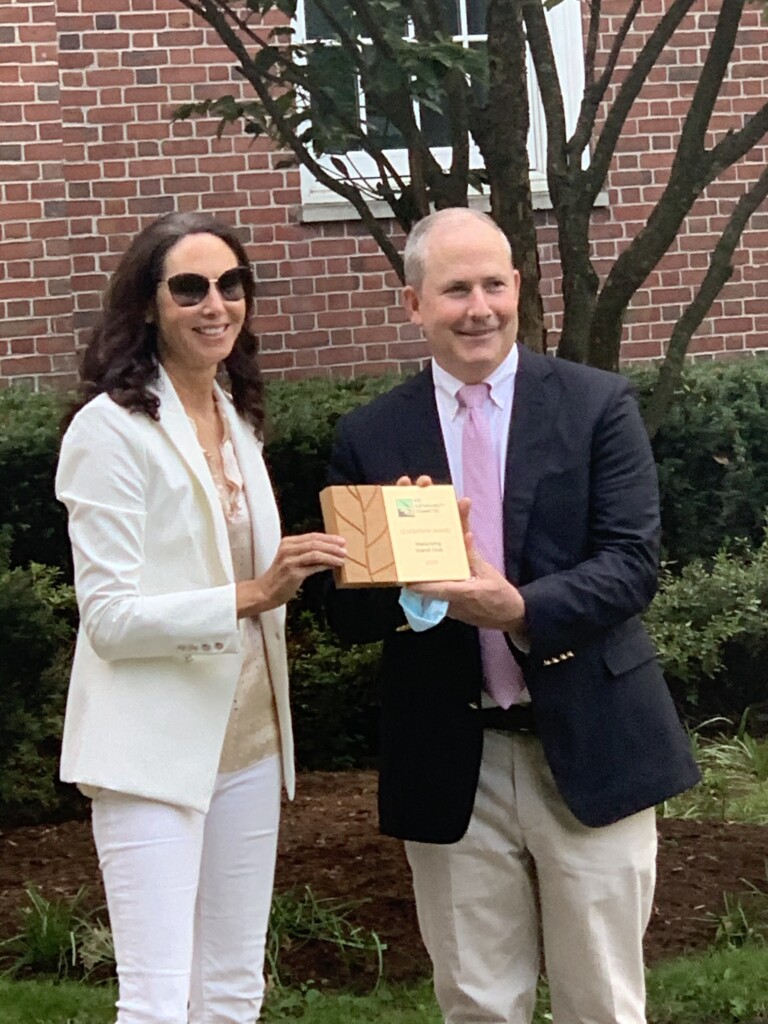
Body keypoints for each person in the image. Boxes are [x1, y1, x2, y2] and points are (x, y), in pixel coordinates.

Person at [323, 207, 700, 1024]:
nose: (479, 307)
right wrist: (414, 590)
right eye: (455, 289)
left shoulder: (596, 404)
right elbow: (345, 615)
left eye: (494, 285)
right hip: (452, 755)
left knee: (600, 999)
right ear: (414, 302)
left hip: (592, 739)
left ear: (519, 290)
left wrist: (520, 608)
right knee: (478, 1004)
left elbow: (633, 564)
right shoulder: (372, 436)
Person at [55, 211, 346, 1024]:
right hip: (151, 750)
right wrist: (254, 592)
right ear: (147, 304)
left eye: (231, 285)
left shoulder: (236, 412)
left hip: (251, 740)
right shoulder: (108, 431)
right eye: (189, 287)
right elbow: (108, 618)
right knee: (154, 1001)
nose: (215, 304)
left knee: (232, 990)